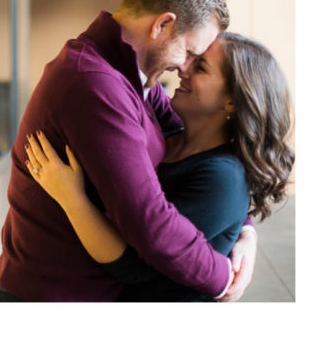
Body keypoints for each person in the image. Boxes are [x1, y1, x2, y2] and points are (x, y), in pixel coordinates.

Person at [0, 0, 258, 302]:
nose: (185, 68)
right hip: (43, 297)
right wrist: (223, 278)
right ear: (162, 25)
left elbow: (192, 144)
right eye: (189, 52)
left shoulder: (136, 78)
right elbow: (150, 224)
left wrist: (243, 230)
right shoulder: (96, 85)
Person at [25, 32, 294, 300]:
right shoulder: (167, 133)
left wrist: (72, 199)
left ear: (231, 101)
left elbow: (133, 266)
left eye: (200, 67)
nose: (182, 68)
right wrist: (247, 231)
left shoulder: (224, 177)